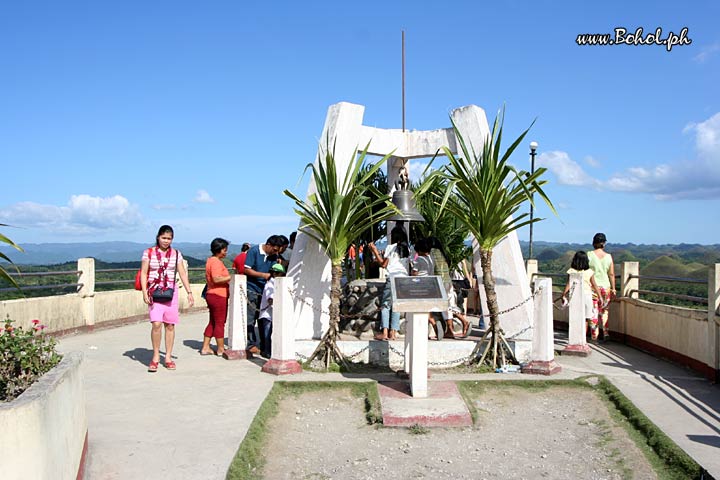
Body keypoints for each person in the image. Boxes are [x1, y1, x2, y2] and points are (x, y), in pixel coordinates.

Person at [140, 225, 194, 372]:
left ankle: (168, 356)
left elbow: (182, 273)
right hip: (154, 291)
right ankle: (156, 356)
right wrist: (145, 292)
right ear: (158, 237)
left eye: (169, 238)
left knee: (170, 325)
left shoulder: (176, 254)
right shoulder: (148, 253)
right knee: (156, 324)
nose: (166, 241)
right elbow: (144, 273)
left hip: (171, 292)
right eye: (164, 238)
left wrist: (189, 292)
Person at [244, 235, 286, 354]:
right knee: (251, 317)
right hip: (252, 287)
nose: (276, 252)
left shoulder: (274, 256)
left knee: (263, 319)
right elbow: (246, 269)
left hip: (266, 289)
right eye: (274, 249)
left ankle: (264, 346)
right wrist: (263, 275)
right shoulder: (254, 251)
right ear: (268, 245)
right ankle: (251, 343)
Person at [369, 226, 410, 341]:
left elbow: (383, 264)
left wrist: (375, 250)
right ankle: (394, 332)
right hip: (403, 279)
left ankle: (385, 332)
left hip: (392, 278)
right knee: (396, 306)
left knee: (386, 305)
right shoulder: (407, 249)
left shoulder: (391, 248)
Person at [200, 238, 231, 356]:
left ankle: (205, 347)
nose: (226, 252)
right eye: (224, 250)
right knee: (219, 322)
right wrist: (231, 277)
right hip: (218, 295)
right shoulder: (216, 262)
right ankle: (221, 348)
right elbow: (216, 278)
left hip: (211, 294)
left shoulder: (210, 260)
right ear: (219, 249)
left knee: (213, 321)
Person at [562, 251, 602, 341]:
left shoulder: (571, 271)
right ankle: (583, 338)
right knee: (586, 318)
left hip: (575, 296)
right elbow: (594, 285)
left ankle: (574, 337)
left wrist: (563, 295)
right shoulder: (589, 272)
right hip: (587, 296)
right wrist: (600, 296)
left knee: (575, 317)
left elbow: (568, 284)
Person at [588, 233, 616, 342]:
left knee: (594, 311)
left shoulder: (589, 255)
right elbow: (611, 274)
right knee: (605, 311)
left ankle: (594, 336)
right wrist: (613, 288)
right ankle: (605, 332)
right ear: (604, 243)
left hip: (593, 287)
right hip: (606, 287)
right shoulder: (608, 257)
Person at [258, 263, 286, 358]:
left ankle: (269, 351)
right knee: (267, 334)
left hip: (273, 314)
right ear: (274, 274)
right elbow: (270, 299)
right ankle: (267, 351)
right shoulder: (270, 284)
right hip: (267, 314)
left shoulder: (275, 284)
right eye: (280, 274)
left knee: (271, 334)